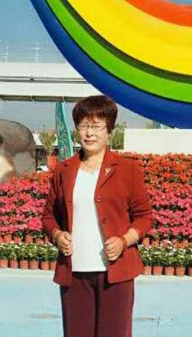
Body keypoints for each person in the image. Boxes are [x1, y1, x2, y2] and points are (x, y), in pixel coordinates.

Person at [42, 95, 153, 337]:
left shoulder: (127, 170)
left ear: (109, 131)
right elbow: (48, 217)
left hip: (116, 274)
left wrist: (123, 241)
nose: (89, 133)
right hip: (74, 273)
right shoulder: (63, 171)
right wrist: (57, 235)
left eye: (96, 126)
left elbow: (144, 217)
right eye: (84, 125)